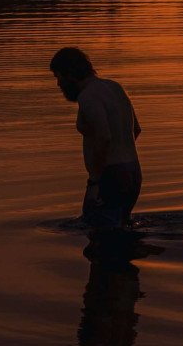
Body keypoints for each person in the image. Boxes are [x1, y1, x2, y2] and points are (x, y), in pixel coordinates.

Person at [49, 46, 144, 230]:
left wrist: (95, 181)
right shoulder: (115, 87)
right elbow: (136, 130)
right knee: (120, 235)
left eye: (58, 77)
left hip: (111, 176)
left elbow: (104, 136)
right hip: (133, 173)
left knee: (100, 242)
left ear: (70, 74)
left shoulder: (88, 96)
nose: (58, 84)